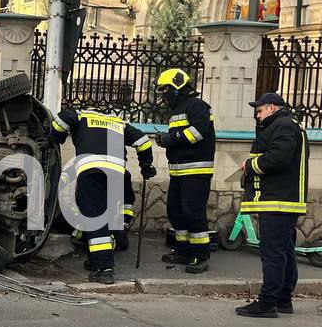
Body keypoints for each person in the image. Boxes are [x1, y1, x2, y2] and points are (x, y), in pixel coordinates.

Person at [51, 105, 156, 285]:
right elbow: (144, 141)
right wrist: (146, 166)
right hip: (117, 173)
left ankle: (104, 268)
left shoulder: (80, 115)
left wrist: (55, 139)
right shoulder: (118, 122)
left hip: (92, 170)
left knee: (94, 218)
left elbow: (60, 122)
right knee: (105, 216)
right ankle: (96, 260)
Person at [236, 93, 309, 318]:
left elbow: (279, 158)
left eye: (259, 111)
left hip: (278, 200)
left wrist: (250, 165)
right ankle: (282, 299)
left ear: (271, 107)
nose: (256, 116)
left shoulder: (283, 125)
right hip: (281, 200)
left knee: (273, 254)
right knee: (284, 250)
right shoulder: (285, 125)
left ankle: (267, 303)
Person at [153, 68, 216, 274]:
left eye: (165, 90)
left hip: (196, 172)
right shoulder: (178, 109)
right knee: (175, 211)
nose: (163, 95)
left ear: (177, 87)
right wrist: (166, 140)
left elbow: (197, 133)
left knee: (193, 212)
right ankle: (183, 250)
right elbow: (182, 137)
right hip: (179, 172)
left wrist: (170, 139)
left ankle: (200, 254)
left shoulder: (198, 106)